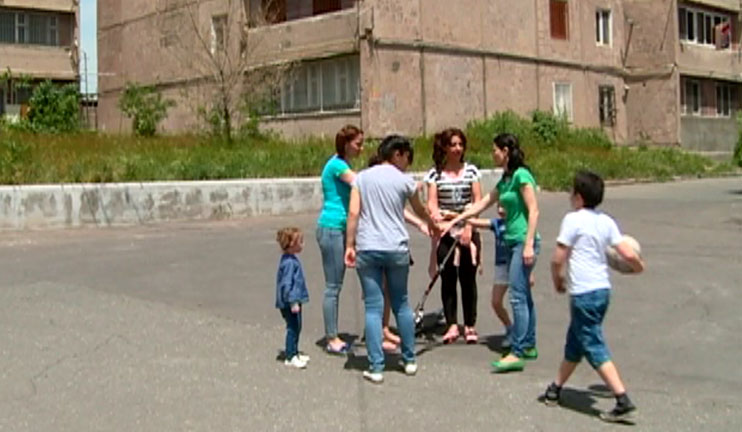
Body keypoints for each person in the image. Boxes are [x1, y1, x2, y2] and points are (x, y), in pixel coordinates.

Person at [543, 170, 644, 423]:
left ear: (578, 197)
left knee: (592, 343)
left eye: (571, 192)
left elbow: (557, 258)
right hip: (602, 291)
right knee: (576, 342)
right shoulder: (606, 221)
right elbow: (627, 253)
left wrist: (558, 279)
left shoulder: (573, 220)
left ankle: (622, 399)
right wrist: (638, 266)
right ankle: (555, 389)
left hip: (584, 293)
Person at [345, 135, 439, 384]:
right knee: (401, 303)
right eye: (408, 156)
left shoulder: (362, 178)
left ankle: (376, 366)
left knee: (374, 308)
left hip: (368, 247)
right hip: (396, 248)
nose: (408, 162)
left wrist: (349, 244)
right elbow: (419, 210)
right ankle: (409, 360)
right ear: (397, 153)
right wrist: (431, 223)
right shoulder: (405, 180)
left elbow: (354, 212)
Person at [444, 133, 540, 373]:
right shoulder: (506, 180)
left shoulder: (521, 175)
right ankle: (528, 343)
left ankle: (517, 351)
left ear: (506, 151)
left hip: (522, 241)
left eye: (495, 150)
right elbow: (482, 204)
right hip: (510, 242)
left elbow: (534, 210)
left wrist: (528, 244)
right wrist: (457, 218)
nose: (493, 154)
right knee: (524, 296)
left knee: (517, 296)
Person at [366, 153, 431, 352]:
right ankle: (382, 336)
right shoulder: (377, 184)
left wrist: (420, 223)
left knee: (385, 294)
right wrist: (425, 220)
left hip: (379, 245)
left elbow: (400, 211)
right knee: (387, 297)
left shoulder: (377, 184)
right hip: (385, 245)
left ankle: (383, 330)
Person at [424, 128, 482, 344]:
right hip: (446, 231)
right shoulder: (434, 174)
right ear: (445, 148)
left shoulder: (471, 171)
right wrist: (438, 219)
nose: (457, 149)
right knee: (447, 278)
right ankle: (451, 325)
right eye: (453, 145)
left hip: (467, 227)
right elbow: (432, 203)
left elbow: (478, 201)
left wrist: (468, 226)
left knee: (468, 278)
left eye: (460, 145)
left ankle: (470, 325)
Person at [317, 125, 364, 355]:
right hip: (332, 228)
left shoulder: (341, 164)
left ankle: (333, 334)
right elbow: (358, 183)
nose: (361, 148)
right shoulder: (337, 165)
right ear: (346, 144)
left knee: (336, 284)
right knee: (333, 286)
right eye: (358, 143)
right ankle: (332, 337)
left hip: (340, 229)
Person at [466, 205, 534, 350]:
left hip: (518, 264)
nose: (501, 210)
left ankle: (524, 336)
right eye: (499, 206)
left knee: (521, 302)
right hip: (501, 266)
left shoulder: (520, 224)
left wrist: (530, 271)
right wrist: (453, 216)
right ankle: (510, 328)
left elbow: (528, 245)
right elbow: (475, 222)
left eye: (505, 206)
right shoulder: (497, 224)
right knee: (496, 302)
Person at [275, 227, 310, 369]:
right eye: (299, 242)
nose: (302, 245)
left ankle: (294, 351)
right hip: (290, 302)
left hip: (293, 300)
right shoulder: (289, 263)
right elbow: (287, 284)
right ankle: (290, 356)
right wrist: (292, 301)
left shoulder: (290, 260)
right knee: (293, 327)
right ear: (291, 244)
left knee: (297, 326)